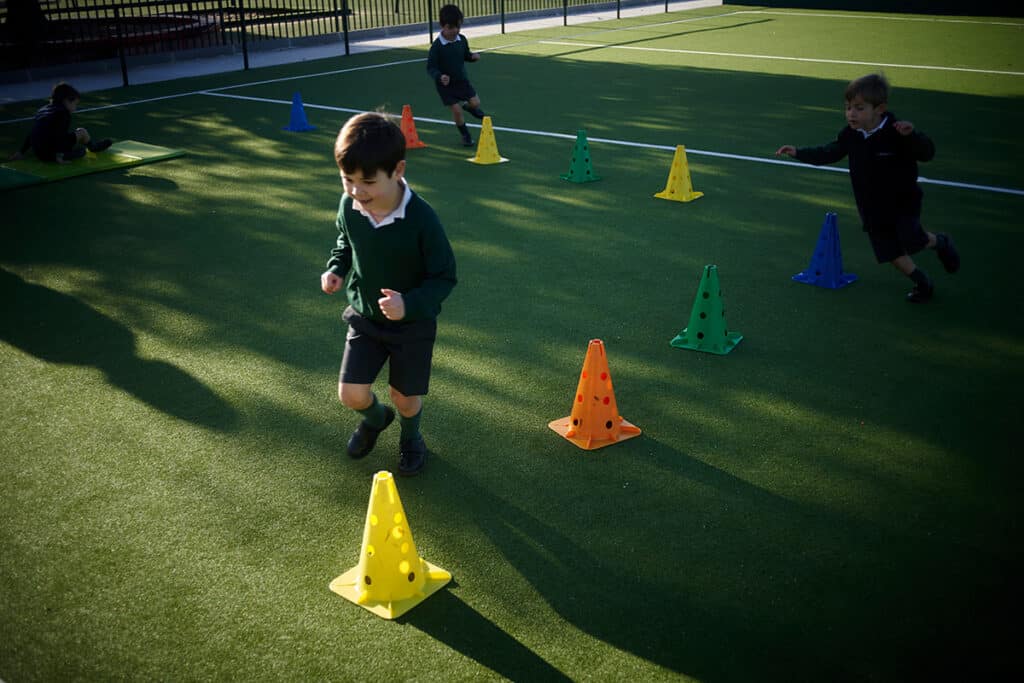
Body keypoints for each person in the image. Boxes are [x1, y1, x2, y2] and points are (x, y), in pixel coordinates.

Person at [320, 112, 457, 476]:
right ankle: (377, 419)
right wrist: (336, 269)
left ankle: (411, 437)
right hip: (365, 316)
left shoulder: (422, 219)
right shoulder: (349, 206)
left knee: (406, 399)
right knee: (351, 395)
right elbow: (344, 242)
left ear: (397, 171)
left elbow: (444, 276)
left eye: (367, 181)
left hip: (411, 325)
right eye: (347, 179)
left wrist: (408, 304)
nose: (356, 191)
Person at [775, 73, 959, 303]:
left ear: (879, 109)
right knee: (889, 252)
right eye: (848, 107)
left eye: (859, 108)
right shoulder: (850, 135)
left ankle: (940, 242)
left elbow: (927, 153)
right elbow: (829, 152)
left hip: (903, 202)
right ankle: (922, 282)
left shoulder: (896, 132)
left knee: (913, 240)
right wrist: (799, 152)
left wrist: (913, 136)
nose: (851, 113)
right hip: (871, 207)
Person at [426, 4, 486, 147]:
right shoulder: (437, 47)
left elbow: (465, 55)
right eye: (451, 27)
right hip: (446, 85)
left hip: (461, 80)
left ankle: (468, 106)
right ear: (443, 26)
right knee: (457, 111)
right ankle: (465, 135)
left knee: (476, 103)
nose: (455, 31)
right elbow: (431, 67)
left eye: (458, 27)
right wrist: (439, 76)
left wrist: (472, 57)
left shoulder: (462, 39)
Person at [9, 82, 112, 163]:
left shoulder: (42, 110)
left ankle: (88, 148)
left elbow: (32, 134)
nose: (75, 108)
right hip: (50, 154)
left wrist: (21, 152)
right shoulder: (63, 113)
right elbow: (59, 138)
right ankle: (92, 148)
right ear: (67, 101)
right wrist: (59, 156)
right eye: (75, 104)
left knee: (78, 135)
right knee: (82, 144)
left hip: (39, 153)